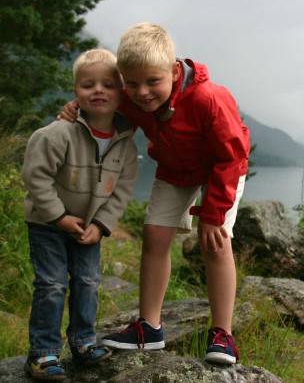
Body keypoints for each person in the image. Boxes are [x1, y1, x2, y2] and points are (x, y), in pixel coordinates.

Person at [60, 22, 250, 364]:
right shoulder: (131, 98)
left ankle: (222, 334)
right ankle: (149, 328)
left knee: (215, 242)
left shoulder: (209, 98)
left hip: (222, 169)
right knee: (154, 235)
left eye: (152, 82)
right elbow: (106, 106)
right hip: (176, 169)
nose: (142, 92)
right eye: (131, 83)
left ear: (174, 71)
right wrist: (78, 109)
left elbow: (231, 155)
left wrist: (212, 214)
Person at [22, 49, 139, 381]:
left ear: (123, 94)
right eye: (88, 84)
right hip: (47, 223)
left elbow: (122, 191)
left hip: (89, 227)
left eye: (108, 85)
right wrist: (59, 217)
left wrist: (101, 226)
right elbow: (36, 177)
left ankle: (84, 343)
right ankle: (43, 353)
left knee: (88, 282)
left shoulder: (126, 145)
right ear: (75, 92)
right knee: (52, 284)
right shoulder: (57, 134)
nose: (98, 90)